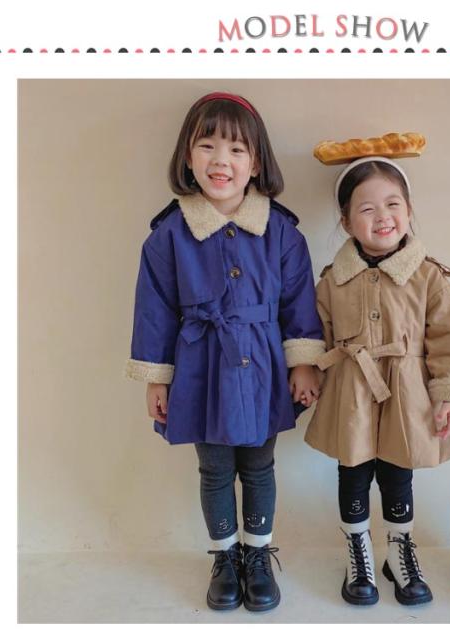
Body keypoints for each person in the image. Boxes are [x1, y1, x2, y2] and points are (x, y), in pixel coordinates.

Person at [125, 92, 324, 612]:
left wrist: (304, 362)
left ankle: (257, 556)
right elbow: (154, 310)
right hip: (201, 368)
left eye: (236, 149)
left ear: (255, 163)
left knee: (259, 466)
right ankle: (224, 556)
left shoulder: (281, 231)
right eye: (207, 146)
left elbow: (299, 301)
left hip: (263, 368)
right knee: (214, 469)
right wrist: (157, 377)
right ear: (188, 157)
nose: (221, 160)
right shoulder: (169, 235)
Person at [305, 155, 450, 606]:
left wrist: (449, 396)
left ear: (409, 210)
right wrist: (307, 371)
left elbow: (448, 338)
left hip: (407, 394)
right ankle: (358, 552)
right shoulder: (332, 281)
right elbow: (314, 332)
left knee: (399, 474)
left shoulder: (429, 276)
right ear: (346, 222)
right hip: (351, 393)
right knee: (353, 471)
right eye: (367, 208)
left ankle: (400, 551)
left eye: (393, 204)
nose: (382, 216)